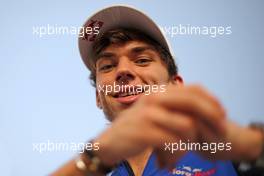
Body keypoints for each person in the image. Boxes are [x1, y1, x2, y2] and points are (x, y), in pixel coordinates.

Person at [51, 5, 264, 176]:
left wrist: (253, 145)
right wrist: (96, 157)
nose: (123, 70)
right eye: (107, 66)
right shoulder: (96, 168)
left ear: (176, 85)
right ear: (98, 96)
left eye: (142, 60)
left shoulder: (223, 155)